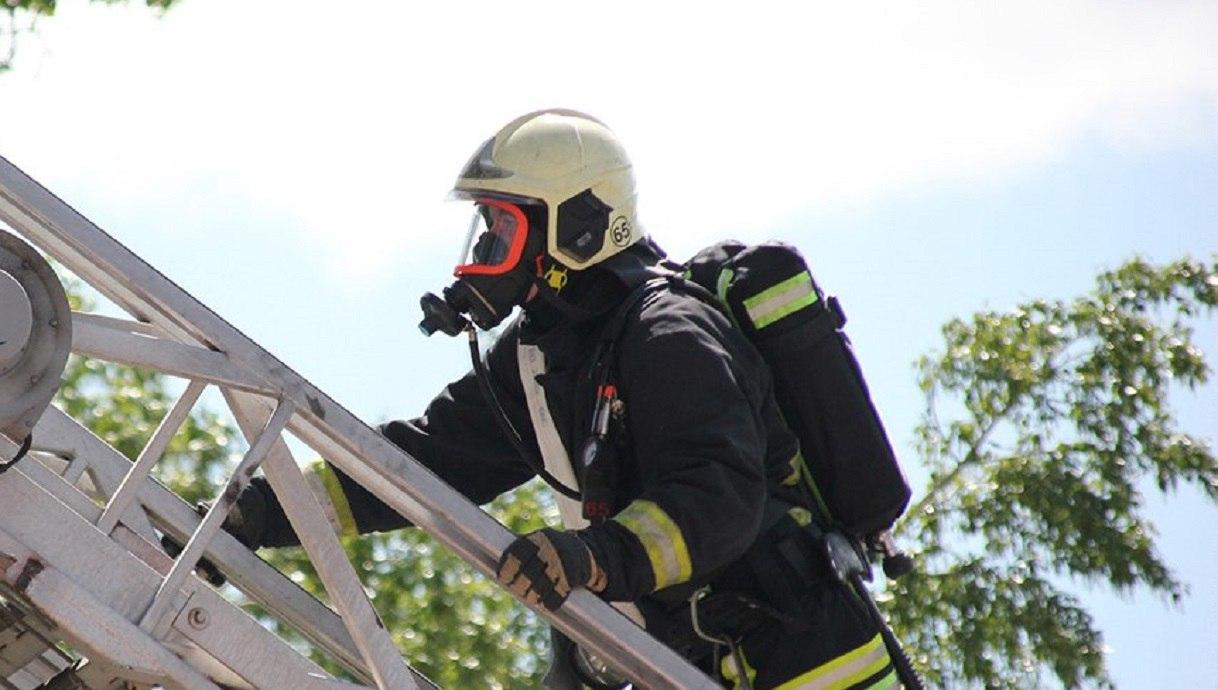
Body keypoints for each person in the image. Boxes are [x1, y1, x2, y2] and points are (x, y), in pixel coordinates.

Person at [223, 109, 899, 690]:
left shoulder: (668, 333)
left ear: (576, 227)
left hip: (809, 662)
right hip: (699, 662)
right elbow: (426, 463)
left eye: (502, 230)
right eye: (485, 230)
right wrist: (258, 513)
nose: (483, 253)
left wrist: (593, 558)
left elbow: (718, 497)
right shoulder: (543, 356)